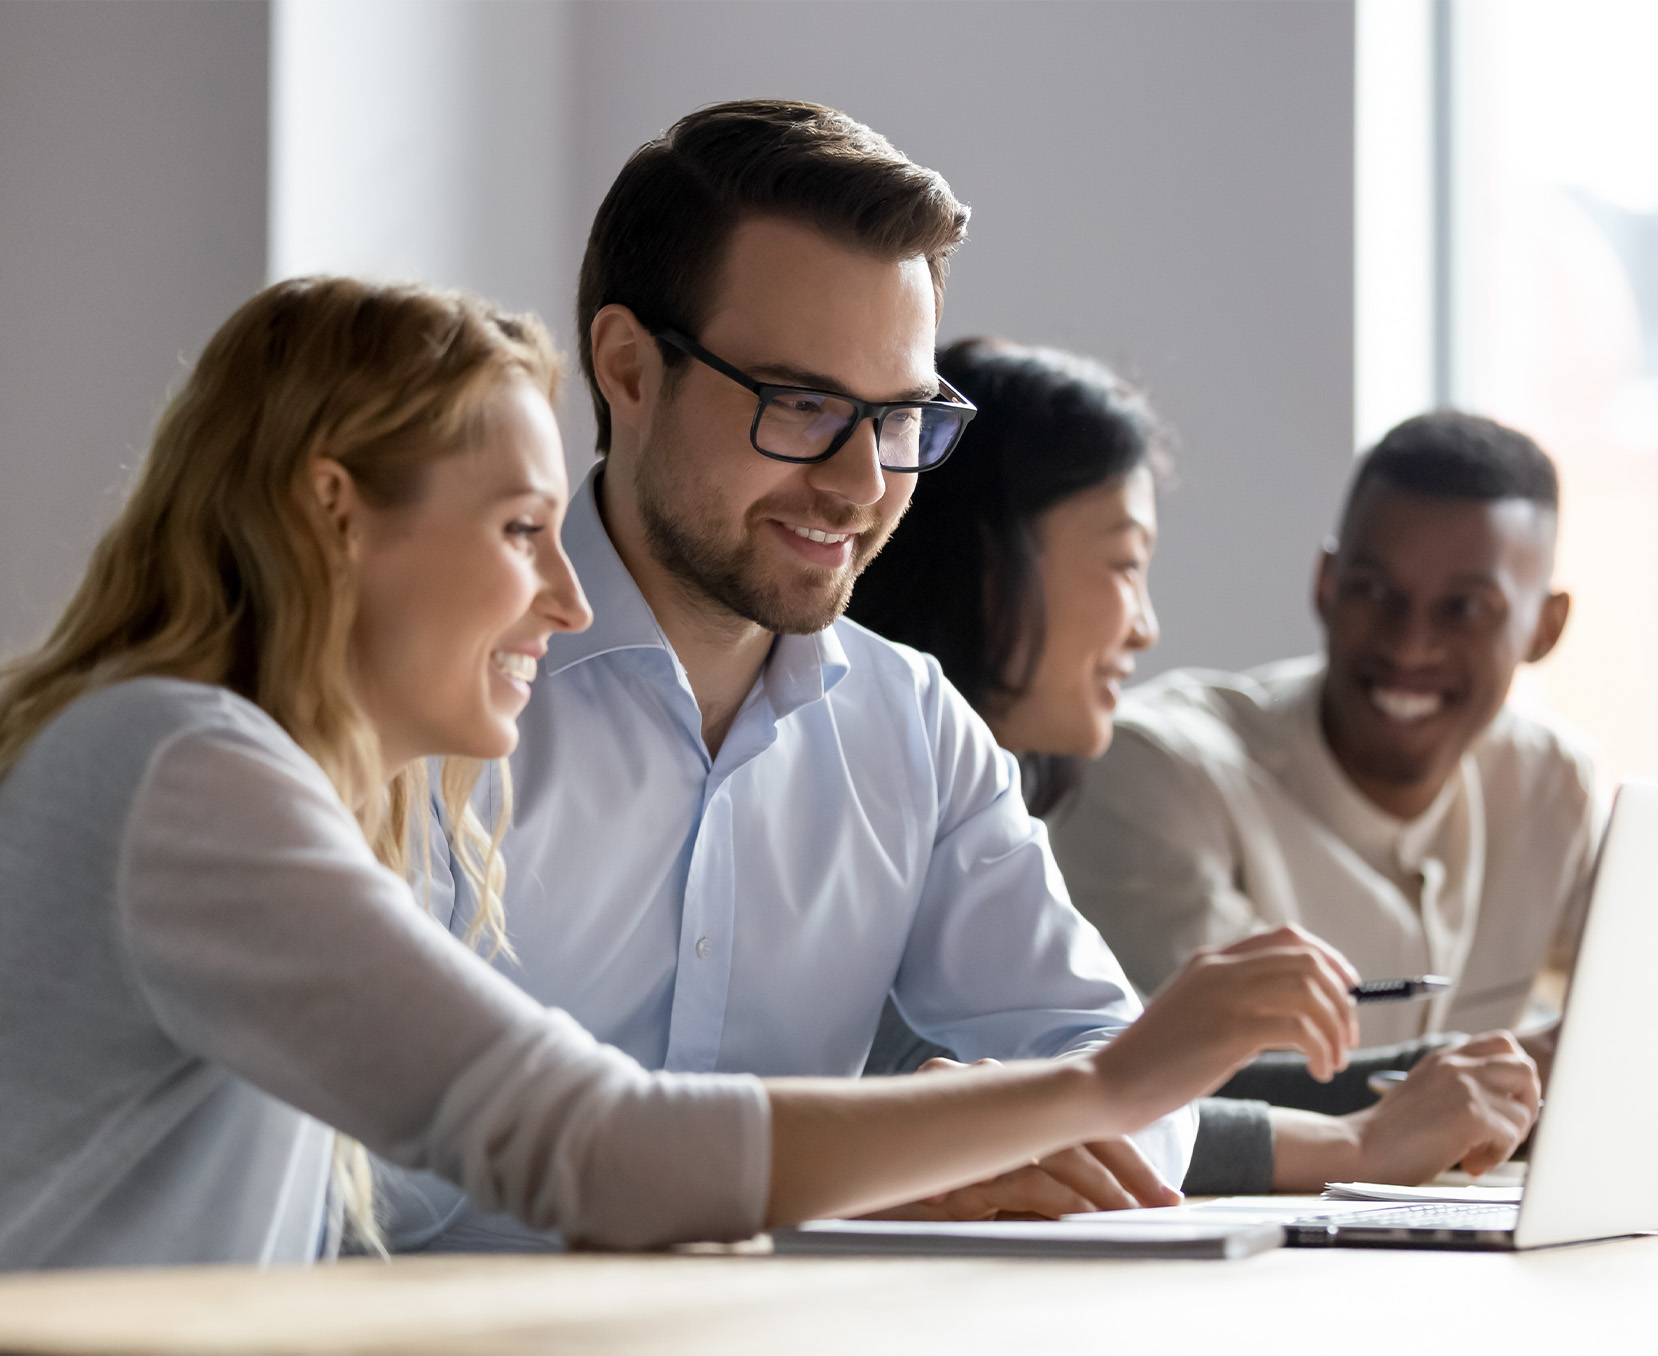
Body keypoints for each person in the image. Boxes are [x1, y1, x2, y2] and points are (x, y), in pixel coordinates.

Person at [0, 275, 1367, 1270]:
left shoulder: (268, 778)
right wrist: (1107, 1083)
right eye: (523, 530)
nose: (567, 600)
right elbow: (585, 1144)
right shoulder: (179, 768)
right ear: (334, 514)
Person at [382, 97, 1355, 1247]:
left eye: (897, 417)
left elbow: (1117, 1071)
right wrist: (856, 1163)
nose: (857, 484)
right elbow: (368, 1172)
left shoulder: (911, 725)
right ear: (628, 369)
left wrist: (974, 1144)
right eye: (800, 406)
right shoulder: (425, 695)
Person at [850, 340, 1543, 1196]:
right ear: (993, 566)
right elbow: (1036, 1100)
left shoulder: (979, 796)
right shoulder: (860, 779)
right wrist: (1358, 1144)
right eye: (1127, 564)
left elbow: (1098, 1082)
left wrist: (1456, 1084)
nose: (1145, 626)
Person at [1050, 410, 1600, 1062]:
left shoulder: (1549, 781)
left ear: (1546, 628)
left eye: (1466, 609)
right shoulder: (1155, 770)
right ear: (1326, 586)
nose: (1409, 644)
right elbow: (1207, 1083)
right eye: (1373, 590)